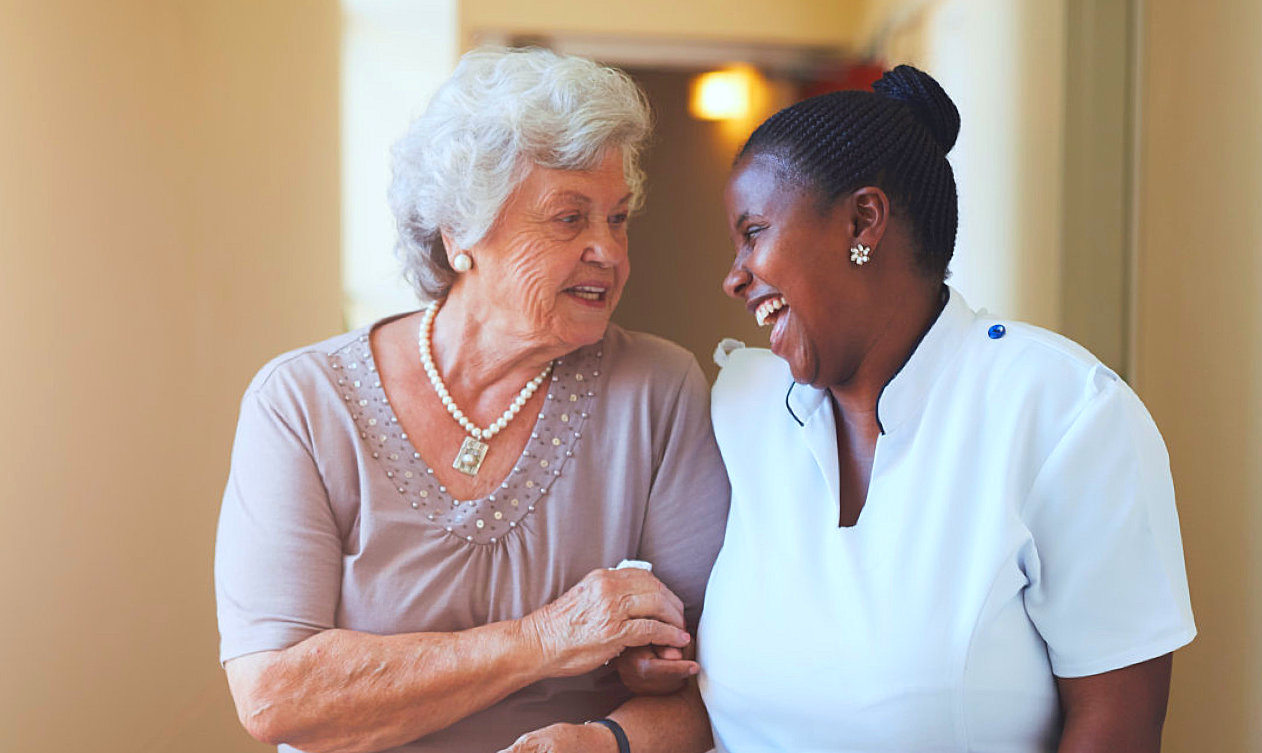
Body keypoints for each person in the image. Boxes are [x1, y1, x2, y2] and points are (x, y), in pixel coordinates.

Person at [214, 48, 726, 753]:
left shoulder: (660, 391)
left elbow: (719, 681)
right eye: (569, 218)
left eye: (618, 217)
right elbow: (277, 694)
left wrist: (604, 740)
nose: (608, 251)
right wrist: (545, 639)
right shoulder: (303, 403)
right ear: (461, 234)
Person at [690, 64, 1195, 752]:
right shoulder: (741, 406)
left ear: (863, 220)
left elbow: (1117, 724)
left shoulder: (1063, 412)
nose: (734, 274)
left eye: (753, 232)